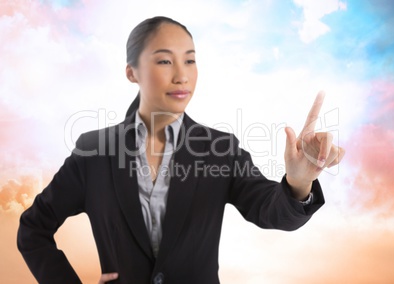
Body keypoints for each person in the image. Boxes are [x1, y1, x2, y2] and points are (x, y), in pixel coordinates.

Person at [17, 16, 344, 284]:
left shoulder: (219, 149)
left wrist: (299, 183)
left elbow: (272, 212)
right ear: (132, 72)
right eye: (164, 60)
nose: (181, 75)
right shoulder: (94, 152)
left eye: (190, 60)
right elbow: (34, 229)